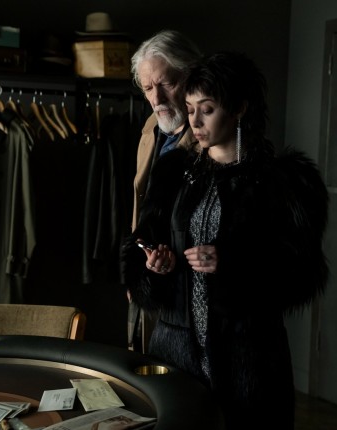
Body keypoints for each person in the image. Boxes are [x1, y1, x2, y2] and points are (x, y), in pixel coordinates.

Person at [121, 51, 329, 429]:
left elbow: (303, 273)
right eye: (190, 109)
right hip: (175, 350)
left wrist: (234, 262)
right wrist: (155, 263)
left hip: (249, 356)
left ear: (239, 109)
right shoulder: (172, 173)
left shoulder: (286, 182)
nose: (194, 121)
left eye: (207, 109)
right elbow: (139, 247)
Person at [126, 29, 203, 352]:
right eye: (147, 88)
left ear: (191, 77)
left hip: (192, 301)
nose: (156, 99)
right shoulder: (150, 130)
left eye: (166, 84)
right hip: (150, 280)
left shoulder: (211, 142)